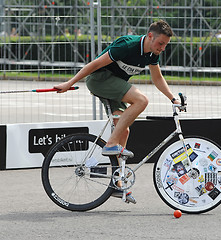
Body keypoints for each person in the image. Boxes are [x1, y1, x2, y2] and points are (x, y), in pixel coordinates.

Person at [54, 20, 181, 203]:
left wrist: (173, 98)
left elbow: (157, 78)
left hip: (115, 86)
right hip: (100, 79)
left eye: (165, 45)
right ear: (150, 36)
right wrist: (69, 83)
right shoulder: (127, 45)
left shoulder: (152, 54)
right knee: (141, 100)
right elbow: (94, 65)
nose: (162, 48)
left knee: (124, 129)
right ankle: (111, 143)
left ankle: (116, 183)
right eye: (160, 43)